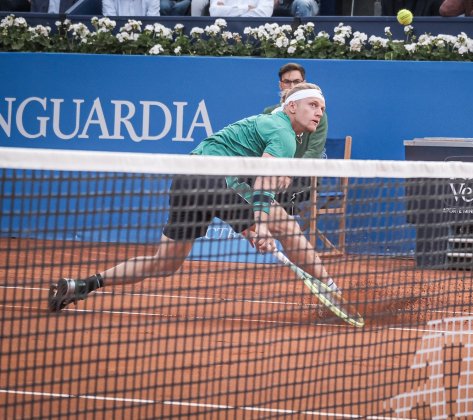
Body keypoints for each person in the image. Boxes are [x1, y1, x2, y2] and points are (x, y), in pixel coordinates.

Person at [48, 83, 342, 312]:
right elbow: (264, 179)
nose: (319, 112)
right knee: (286, 226)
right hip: (212, 179)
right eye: (312, 104)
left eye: (323, 107)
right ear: (291, 106)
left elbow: (242, 188)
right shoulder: (283, 132)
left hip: (188, 179)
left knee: (164, 263)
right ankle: (331, 289)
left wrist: (250, 229)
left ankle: (83, 285)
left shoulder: (270, 124)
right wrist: (261, 227)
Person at [262, 63, 328, 217]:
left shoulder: (319, 115)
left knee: (283, 193)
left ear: (303, 83)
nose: (291, 86)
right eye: (287, 82)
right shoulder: (269, 113)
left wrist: (290, 173)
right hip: (276, 174)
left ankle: (284, 233)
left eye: (296, 82)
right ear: (280, 85)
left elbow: (314, 152)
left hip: (305, 177)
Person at [191, 0, 273, 16]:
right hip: (223, 39)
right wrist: (246, 8)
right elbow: (215, 12)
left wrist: (226, 10)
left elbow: (264, 14)